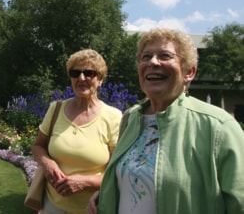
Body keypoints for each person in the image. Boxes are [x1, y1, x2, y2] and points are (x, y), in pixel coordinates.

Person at [88, 28, 244, 214]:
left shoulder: (218, 127)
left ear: (189, 72)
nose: (153, 62)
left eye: (165, 56)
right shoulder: (131, 119)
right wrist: (109, 192)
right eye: (146, 57)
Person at [32, 49, 122, 214]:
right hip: (51, 205)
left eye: (89, 73)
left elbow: (118, 172)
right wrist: (47, 163)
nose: (81, 78)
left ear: (100, 79)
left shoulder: (113, 117)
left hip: (93, 207)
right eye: (75, 73)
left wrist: (86, 182)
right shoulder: (56, 109)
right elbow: (38, 146)